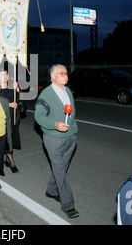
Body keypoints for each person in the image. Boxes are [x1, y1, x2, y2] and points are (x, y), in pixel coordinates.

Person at [34, 64, 79, 219]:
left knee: (62, 167)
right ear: (53, 77)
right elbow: (38, 116)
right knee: (60, 169)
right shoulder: (46, 95)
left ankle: (51, 190)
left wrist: (73, 128)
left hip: (70, 136)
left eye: (66, 73)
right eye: (61, 73)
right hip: (53, 138)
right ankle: (68, 204)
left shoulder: (67, 91)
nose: (65, 75)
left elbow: (72, 111)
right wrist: (56, 124)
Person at [0, 69, 20, 173]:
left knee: (11, 138)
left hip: (13, 116)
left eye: (6, 74)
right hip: (2, 118)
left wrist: (17, 89)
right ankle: (12, 163)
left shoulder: (12, 86)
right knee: (7, 139)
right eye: (2, 74)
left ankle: (4, 158)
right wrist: (8, 104)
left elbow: (17, 99)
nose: (5, 76)